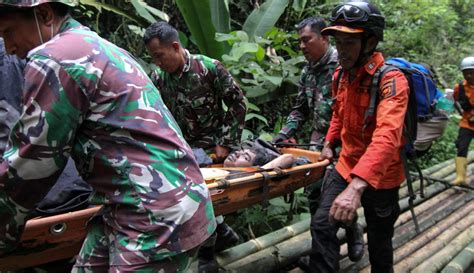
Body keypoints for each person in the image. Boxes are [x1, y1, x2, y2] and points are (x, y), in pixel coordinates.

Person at [0, 1, 216, 272]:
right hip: (138, 203)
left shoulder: (54, 58)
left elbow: (31, 163)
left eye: (8, 32)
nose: (8, 47)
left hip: (153, 214)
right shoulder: (98, 45)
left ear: (44, 15)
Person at [311, 1, 410, 273]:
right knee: (322, 225)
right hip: (347, 162)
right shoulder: (341, 74)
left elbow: (388, 137)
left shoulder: (391, 80)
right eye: (338, 42)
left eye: (349, 43)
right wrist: (330, 141)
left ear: (370, 42)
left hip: (382, 175)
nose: (341, 50)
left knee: (379, 244)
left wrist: (356, 187)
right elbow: (338, 114)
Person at [143, 21, 246, 273]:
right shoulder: (158, 78)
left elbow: (237, 103)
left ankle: (208, 251)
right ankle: (220, 230)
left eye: (159, 56)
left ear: (175, 47)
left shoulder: (208, 68)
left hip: (211, 149)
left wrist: (225, 142)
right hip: (180, 151)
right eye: (153, 57)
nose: (157, 62)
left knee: (202, 198)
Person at [272, 17, 364, 266]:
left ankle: (349, 232)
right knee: (315, 198)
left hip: (344, 144)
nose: (301, 46)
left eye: (306, 40)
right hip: (317, 145)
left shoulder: (343, 65)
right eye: (299, 41)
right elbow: (300, 109)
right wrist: (284, 133)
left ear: (324, 38)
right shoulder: (307, 71)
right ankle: (324, 252)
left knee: (332, 199)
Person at [453, 56, 474, 186]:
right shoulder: (459, 88)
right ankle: (460, 177)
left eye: (472, 72)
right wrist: (461, 112)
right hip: (467, 122)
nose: (470, 75)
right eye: (467, 73)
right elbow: (454, 100)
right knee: (461, 146)